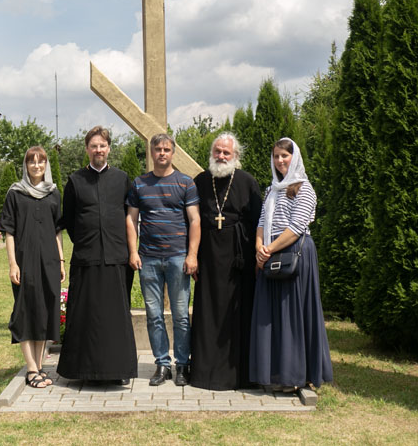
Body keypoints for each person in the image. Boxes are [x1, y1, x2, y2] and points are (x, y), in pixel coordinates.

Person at [56, 126, 137, 385]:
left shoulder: (122, 179)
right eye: (94, 146)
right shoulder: (75, 180)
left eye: (102, 145)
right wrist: (85, 241)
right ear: (87, 149)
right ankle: (82, 372)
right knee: (85, 316)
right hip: (86, 257)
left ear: (109, 148)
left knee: (115, 317)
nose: (98, 150)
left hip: (116, 257)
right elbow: (69, 219)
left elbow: (129, 216)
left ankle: (117, 371)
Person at [250, 137, 333, 390]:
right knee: (272, 315)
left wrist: (269, 249)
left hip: (294, 254)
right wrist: (259, 247)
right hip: (271, 254)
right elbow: (261, 222)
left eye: (284, 156)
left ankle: (297, 375)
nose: (280, 160)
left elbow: (297, 227)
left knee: (292, 315)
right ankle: (277, 374)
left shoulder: (304, 189)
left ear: (294, 157)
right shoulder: (271, 190)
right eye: (276, 156)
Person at [190, 132, 263, 390]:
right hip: (208, 257)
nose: (221, 156)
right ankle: (204, 374)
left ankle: (239, 375)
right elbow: (191, 221)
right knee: (208, 313)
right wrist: (192, 255)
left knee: (238, 313)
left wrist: (257, 256)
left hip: (238, 259)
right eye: (217, 151)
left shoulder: (247, 182)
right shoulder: (200, 181)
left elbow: (259, 222)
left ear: (235, 156)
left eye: (226, 152)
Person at [126, 133, 200, 386]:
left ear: (172, 152)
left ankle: (182, 364)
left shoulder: (185, 183)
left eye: (166, 149)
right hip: (148, 258)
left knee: (180, 316)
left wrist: (192, 255)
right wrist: (133, 251)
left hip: (178, 258)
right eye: (158, 149)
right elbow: (131, 219)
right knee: (154, 315)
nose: (162, 153)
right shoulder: (139, 184)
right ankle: (162, 364)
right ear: (151, 152)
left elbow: (195, 220)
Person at [0, 146, 64, 389]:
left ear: (46, 165)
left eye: (41, 161)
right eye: (32, 161)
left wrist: (61, 260)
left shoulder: (53, 194)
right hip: (24, 261)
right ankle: (31, 368)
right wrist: (12, 263)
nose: (37, 166)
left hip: (49, 261)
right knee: (25, 311)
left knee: (45, 311)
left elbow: (57, 231)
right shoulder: (15, 193)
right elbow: (9, 232)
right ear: (25, 165)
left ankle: (40, 365)